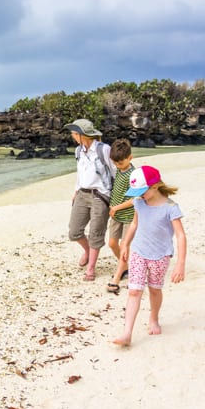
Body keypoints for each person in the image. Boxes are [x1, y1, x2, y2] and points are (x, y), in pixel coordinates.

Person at [112, 165, 187, 347]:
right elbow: (134, 225)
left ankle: (153, 318)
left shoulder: (170, 207)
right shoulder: (139, 203)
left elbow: (180, 235)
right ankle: (127, 333)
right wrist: (125, 245)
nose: (139, 195)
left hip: (160, 255)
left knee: (154, 289)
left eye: (142, 191)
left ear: (154, 186)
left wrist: (180, 264)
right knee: (134, 290)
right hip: (139, 251)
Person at [64, 118, 116, 281]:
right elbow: (80, 173)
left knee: (96, 232)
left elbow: (115, 171)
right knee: (74, 231)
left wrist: (115, 197)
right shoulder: (78, 151)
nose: (72, 136)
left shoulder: (104, 150)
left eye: (73, 133)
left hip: (100, 195)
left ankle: (91, 268)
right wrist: (75, 190)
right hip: (82, 193)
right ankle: (87, 251)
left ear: (82, 134)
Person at [106, 138, 135, 293]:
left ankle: (117, 275)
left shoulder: (133, 174)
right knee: (112, 243)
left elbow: (135, 199)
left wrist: (117, 207)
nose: (118, 165)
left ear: (130, 158)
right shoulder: (118, 170)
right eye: (115, 163)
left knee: (125, 246)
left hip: (129, 215)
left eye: (121, 163)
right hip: (116, 214)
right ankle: (128, 266)